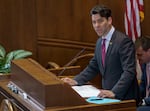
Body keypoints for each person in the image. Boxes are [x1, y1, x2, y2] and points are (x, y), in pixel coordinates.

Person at [61, 4, 139, 103]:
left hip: (124, 97)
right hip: (107, 96)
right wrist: (76, 80)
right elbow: (94, 66)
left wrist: (115, 92)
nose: (97, 25)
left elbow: (129, 71)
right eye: (94, 22)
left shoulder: (123, 41)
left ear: (109, 20)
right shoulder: (99, 42)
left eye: (100, 21)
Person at [135, 36, 150, 111]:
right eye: (137, 55)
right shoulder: (145, 64)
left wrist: (144, 101)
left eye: (140, 55)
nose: (138, 58)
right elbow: (143, 86)